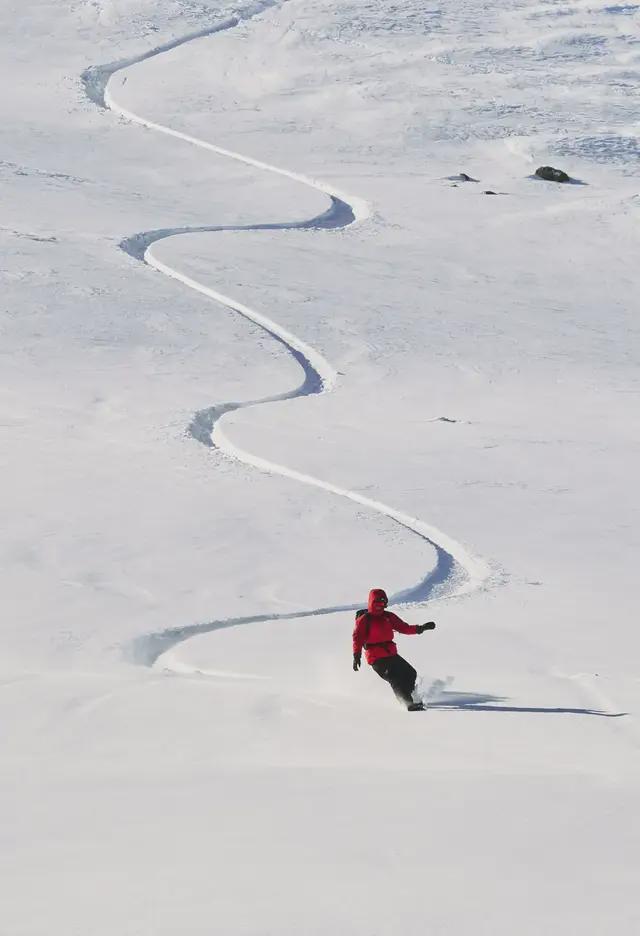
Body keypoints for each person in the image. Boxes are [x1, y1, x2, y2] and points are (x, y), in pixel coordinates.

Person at [352, 588, 435, 710]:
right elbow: (357, 638)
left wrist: (420, 628)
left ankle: (412, 697)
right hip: (376, 657)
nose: (380, 605)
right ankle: (407, 703)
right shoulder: (365, 619)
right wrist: (356, 655)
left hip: (390, 654)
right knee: (395, 678)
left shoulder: (388, 616)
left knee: (410, 673)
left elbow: (404, 628)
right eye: (377, 602)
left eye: (383, 602)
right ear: (371, 602)